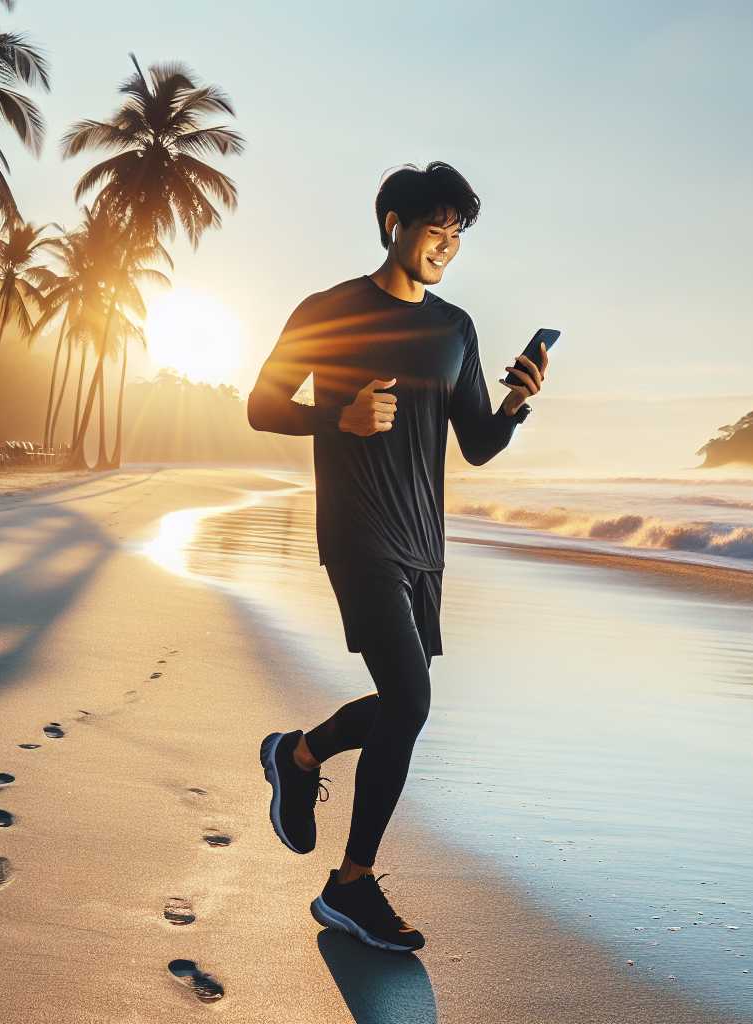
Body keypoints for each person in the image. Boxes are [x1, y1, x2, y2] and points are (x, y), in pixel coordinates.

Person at [246, 161, 547, 953]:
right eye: (434, 229)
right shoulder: (328, 310)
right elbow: (262, 405)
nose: (447, 246)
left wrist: (516, 402)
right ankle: (349, 887)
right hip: (357, 531)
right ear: (392, 225)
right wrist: (335, 416)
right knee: (410, 703)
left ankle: (298, 753)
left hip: (424, 544)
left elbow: (476, 444)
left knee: (400, 704)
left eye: (457, 235)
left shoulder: (455, 328)